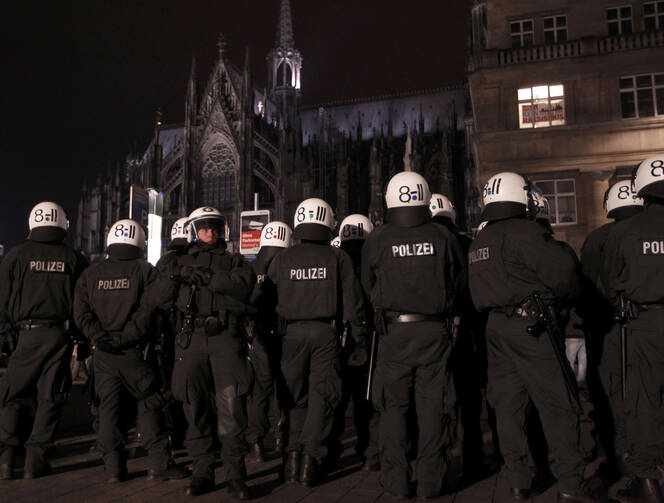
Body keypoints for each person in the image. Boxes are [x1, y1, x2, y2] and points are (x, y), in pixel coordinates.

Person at [467, 172, 601, 503]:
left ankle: (518, 479)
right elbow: (565, 279)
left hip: (496, 331)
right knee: (559, 404)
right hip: (533, 328)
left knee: (509, 406)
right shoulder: (527, 233)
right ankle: (571, 483)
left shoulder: (480, 241)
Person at [362, 173, 466, 499]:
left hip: (393, 332)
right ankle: (431, 482)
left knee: (393, 409)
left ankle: (396, 481)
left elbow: (368, 285)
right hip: (435, 330)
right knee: (433, 408)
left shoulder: (377, 239)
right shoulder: (442, 236)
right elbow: (459, 281)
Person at [74, 219, 187, 483]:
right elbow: (151, 309)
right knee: (149, 404)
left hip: (103, 356)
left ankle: (114, 468)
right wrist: (128, 336)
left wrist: (99, 336)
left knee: (109, 411)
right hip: (136, 354)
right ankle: (159, 464)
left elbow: (81, 313)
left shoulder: (91, 274)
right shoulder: (144, 270)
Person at [267, 198, 366, 487]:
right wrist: (359, 340)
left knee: (295, 399)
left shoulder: (283, 259)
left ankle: (291, 460)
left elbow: (266, 299)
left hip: (290, 337)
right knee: (323, 397)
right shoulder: (338, 258)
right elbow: (353, 304)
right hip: (325, 335)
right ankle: (310, 461)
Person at [168, 206, 255, 499]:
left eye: (215, 226)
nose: (210, 231)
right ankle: (202, 471)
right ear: (193, 230)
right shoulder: (179, 261)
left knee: (232, 410)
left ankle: (235, 475)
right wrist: (176, 271)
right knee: (195, 408)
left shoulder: (233, 260)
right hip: (192, 339)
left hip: (225, 340)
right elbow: (157, 291)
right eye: (204, 226)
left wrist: (210, 278)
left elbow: (245, 286)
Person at [0, 202, 88, 480]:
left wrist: (6, 336)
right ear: (63, 223)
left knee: (14, 396)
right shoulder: (74, 258)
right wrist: (79, 337)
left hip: (24, 335)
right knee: (50, 397)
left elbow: (2, 299)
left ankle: (6, 459)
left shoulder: (15, 256)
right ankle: (35, 461)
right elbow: (81, 304)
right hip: (59, 336)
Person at [601, 155, 664, 503]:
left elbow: (610, 284)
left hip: (645, 324)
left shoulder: (624, 232)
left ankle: (648, 479)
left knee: (644, 401)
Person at [579, 180, 644, 482]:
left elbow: (587, 285)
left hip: (605, 328)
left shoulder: (596, 238)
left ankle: (616, 452)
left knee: (608, 391)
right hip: (647, 325)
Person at [327, 213, 380, 472]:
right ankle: (368, 449)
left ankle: (331, 451)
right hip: (368, 337)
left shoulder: (335, 260)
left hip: (338, 337)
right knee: (365, 397)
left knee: (337, 396)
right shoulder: (372, 261)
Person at [245, 221, 292, 463]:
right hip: (284, 334)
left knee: (260, 390)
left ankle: (255, 440)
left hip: (258, 335)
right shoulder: (287, 263)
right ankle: (281, 437)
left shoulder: (252, 266)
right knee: (283, 388)